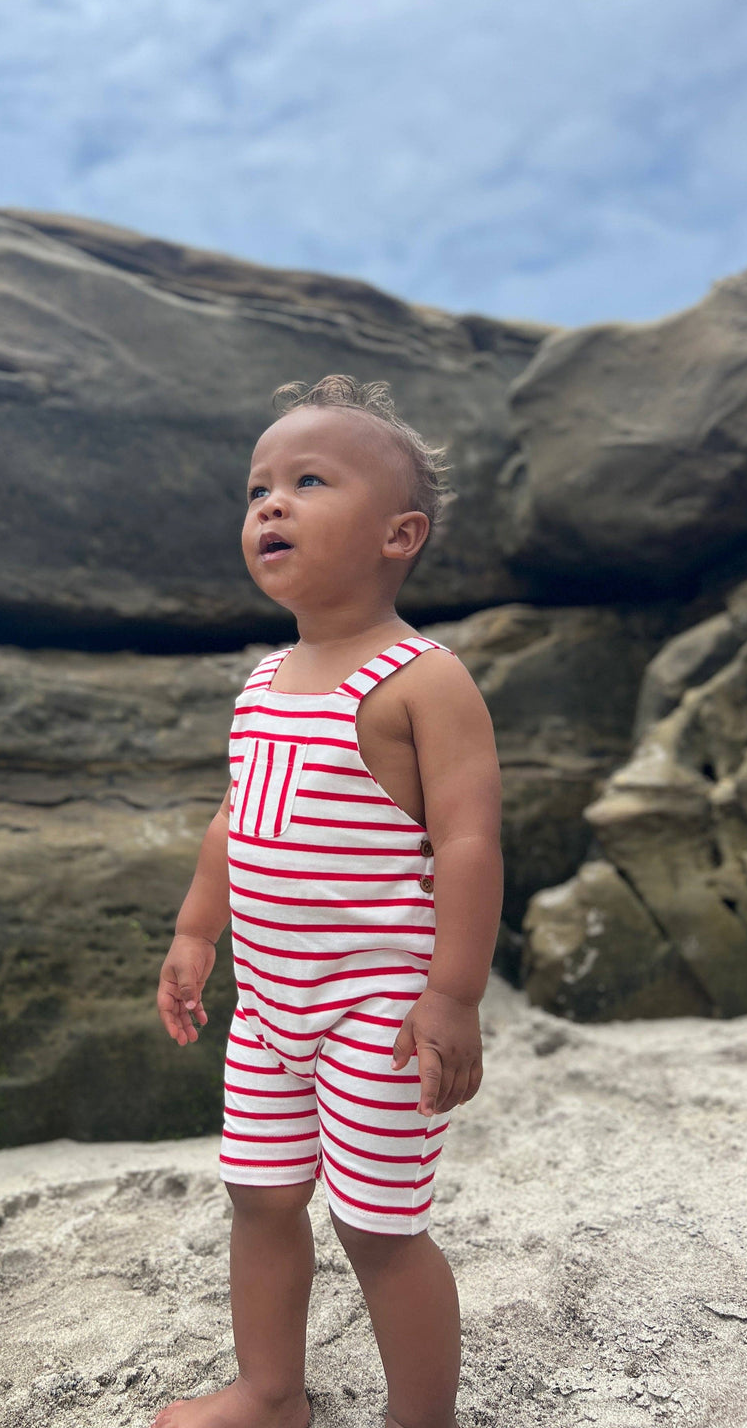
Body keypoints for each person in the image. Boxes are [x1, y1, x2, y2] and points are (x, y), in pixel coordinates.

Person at [154, 374, 503, 1428]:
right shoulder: (265, 682)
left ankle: (422, 1418)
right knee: (258, 1197)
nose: (270, 504)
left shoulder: (420, 679)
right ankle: (271, 1392)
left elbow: (473, 842)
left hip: (378, 1015)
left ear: (401, 533)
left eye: (309, 480)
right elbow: (236, 817)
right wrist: (192, 929)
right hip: (271, 1009)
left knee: (379, 1225)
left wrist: (453, 995)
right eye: (258, 487)